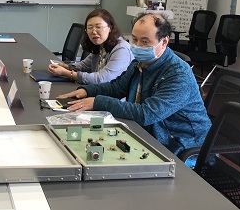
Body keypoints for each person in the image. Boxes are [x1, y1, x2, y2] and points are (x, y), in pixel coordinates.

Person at [58, 12, 211, 156]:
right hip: (147, 135)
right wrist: (87, 91)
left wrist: (97, 101)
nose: (137, 46)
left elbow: (147, 113)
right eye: (134, 39)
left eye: (145, 41)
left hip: (181, 148)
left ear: (164, 42)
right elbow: (117, 88)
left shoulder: (178, 74)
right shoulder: (140, 62)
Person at [48, 9, 133, 84]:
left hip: (112, 96)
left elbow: (102, 79)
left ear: (110, 27)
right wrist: (65, 66)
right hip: (97, 91)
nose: (94, 32)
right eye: (89, 28)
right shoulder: (101, 45)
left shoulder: (121, 49)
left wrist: (67, 73)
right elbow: (84, 66)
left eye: (98, 27)